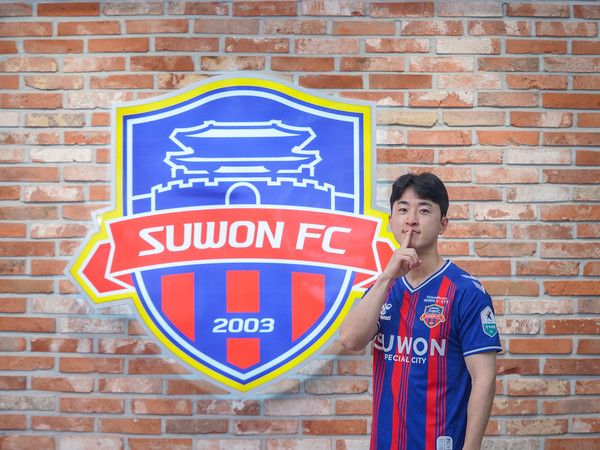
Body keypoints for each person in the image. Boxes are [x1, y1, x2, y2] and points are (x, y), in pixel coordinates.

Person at [339, 172, 501, 450]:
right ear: (391, 220)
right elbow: (350, 339)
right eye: (402, 209)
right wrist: (386, 277)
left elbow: (484, 379)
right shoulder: (384, 287)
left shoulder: (466, 291)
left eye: (424, 210)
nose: (411, 219)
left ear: (443, 224)